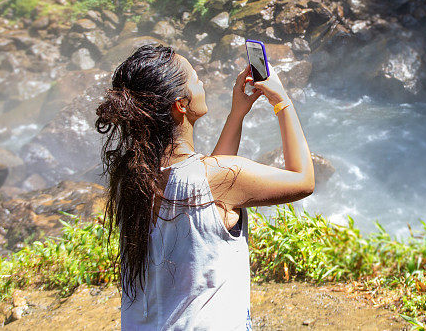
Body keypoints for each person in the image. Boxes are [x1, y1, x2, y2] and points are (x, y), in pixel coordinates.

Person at [95, 43, 314, 330]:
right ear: (181, 104)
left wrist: (237, 114)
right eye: (196, 79)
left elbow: (208, 182)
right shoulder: (217, 178)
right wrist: (282, 101)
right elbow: (303, 179)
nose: (203, 83)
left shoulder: (134, 178)